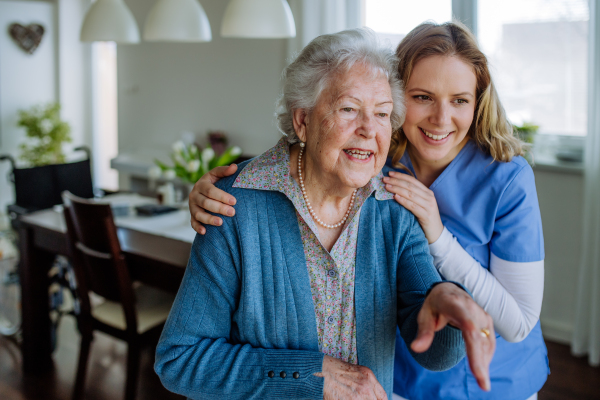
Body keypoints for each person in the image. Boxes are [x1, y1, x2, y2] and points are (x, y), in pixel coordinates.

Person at [187, 22, 547, 400]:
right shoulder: (380, 166)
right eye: (423, 97)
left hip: (493, 379)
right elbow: (306, 156)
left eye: (460, 99)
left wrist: (443, 267)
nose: (441, 119)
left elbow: (506, 320)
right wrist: (215, 190)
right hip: (398, 383)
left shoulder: (497, 179)